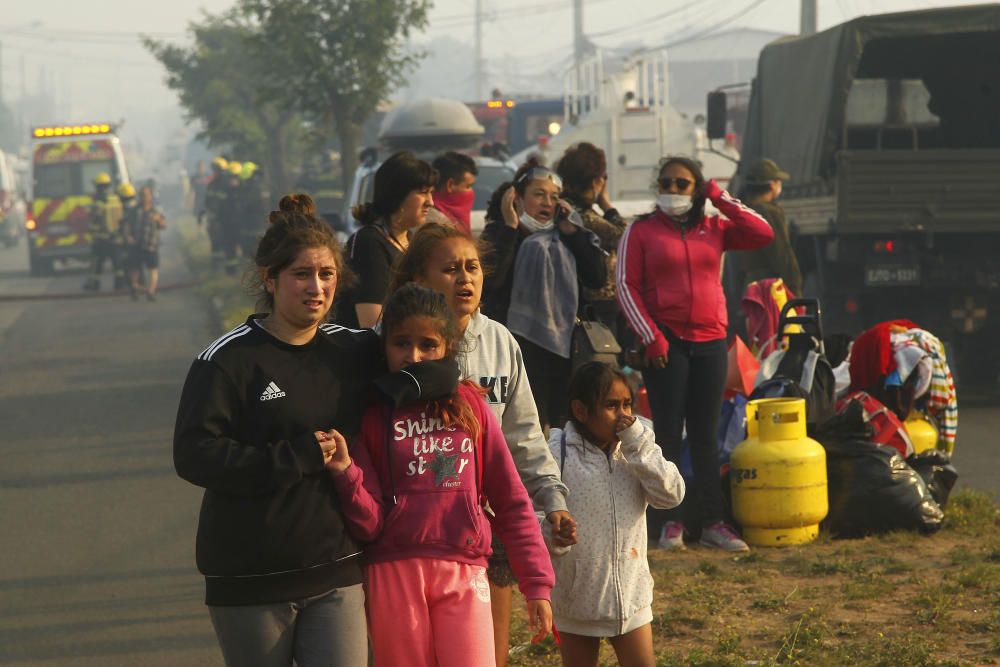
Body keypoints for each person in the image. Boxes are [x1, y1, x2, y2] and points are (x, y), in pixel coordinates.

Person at [173, 193, 378, 666]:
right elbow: (194, 454)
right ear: (270, 278)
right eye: (301, 274)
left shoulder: (354, 350)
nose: (317, 287)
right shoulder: (227, 359)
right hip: (250, 576)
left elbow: (421, 355)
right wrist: (296, 456)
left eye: (327, 275)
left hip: (336, 570)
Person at [327, 283, 554, 667]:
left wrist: (537, 584)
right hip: (392, 572)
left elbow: (512, 500)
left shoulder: (472, 408)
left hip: (465, 569)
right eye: (401, 343)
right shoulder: (370, 414)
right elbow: (368, 523)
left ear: (448, 345)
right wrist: (346, 472)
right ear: (384, 346)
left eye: (427, 344)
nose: (413, 356)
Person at [391, 222, 577, 666]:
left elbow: (524, 436)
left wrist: (552, 499)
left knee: (483, 656)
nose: (465, 279)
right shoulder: (393, 343)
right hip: (406, 542)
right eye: (450, 269)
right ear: (419, 279)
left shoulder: (499, 342)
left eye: (472, 267)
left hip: (482, 530)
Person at [616, 156, 774, 552]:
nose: (672, 189)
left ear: (696, 188)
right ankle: (669, 522)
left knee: (705, 436)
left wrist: (719, 196)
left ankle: (713, 523)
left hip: (710, 341)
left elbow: (762, 232)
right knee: (667, 433)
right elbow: (625, 285)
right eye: (665, 182)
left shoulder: (715, 228)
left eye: (682, 183)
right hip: (665, 343)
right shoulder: (641, 230)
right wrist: (650, 335)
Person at [549, 362, 684, 667]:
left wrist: (638, 445)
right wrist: (554, 534)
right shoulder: (558, 451)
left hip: (632, 596)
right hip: (576, 598)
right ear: (581, 411)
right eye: (611, 405)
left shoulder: (637, 444)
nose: (623, 414)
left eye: (627, 404)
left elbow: (671, 495)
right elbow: (537, 510)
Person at [480, 159, 607, 430]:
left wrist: (574, 234)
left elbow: (597, 276)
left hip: (563, 351)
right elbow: (490, 281)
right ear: (516, 198)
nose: (547, 203)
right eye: (538, 195)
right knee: (518, 428)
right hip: (514, 350)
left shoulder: (567, 236)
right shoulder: (500, 233)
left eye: (554, 197)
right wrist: (510, 228)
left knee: (563, 429)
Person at [335, 151, 437, 328]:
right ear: (397, 195)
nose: (431, 202)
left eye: (431, 193)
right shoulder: (368, 242)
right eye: (423, 193)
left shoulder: (411, 241)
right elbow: (371, 322)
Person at [555, 142, 627, 332]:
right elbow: (624, 238)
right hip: (599, 305)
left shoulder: (565, 210)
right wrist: (607, 205)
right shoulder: (583, 217)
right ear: (595, 181)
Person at [738, 158, 802, 296]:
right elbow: (781, 253)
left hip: (751, 287)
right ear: (772, 185)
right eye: (778, 181)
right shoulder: (768, 213)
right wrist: (794, 286)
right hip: (770, 289)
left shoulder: (744, 211)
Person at [124, 186, 167, 301]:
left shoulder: (156, 210)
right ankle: (134, 288)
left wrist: (159, 220)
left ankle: (151, 291)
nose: (145, 197)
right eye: (142, 195)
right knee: (135, 268)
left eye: (147, 195)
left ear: (151, 196)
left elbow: (163, 226)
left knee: (153, 269)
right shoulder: (134, 210)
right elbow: (127, 225)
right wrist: (128, 237)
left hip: (151, 244)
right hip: (136, 244)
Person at [83, 172, 120, 292]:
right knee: (117, 264)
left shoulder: (99, 202)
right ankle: (120, 284)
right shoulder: (116, 199)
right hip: (115, 238)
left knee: (97, 263)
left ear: (98, 187)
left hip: (101, 239)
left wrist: (91, 229)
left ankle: (94, 284)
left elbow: (95, 220)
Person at [427, 151, 478, 234]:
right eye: (468, 186)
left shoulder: (450, 222)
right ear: (450, 185)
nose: (471, 192)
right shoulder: (434, 224)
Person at [203, 157, 229, 254]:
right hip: (214, 217)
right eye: (214, 169)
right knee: (215, 240)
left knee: (225, 239)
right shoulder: (212, 183)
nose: (214, 171)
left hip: (225, 217)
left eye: (216, 169)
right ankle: (216, 261)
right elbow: (207, 200)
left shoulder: (226, 183)